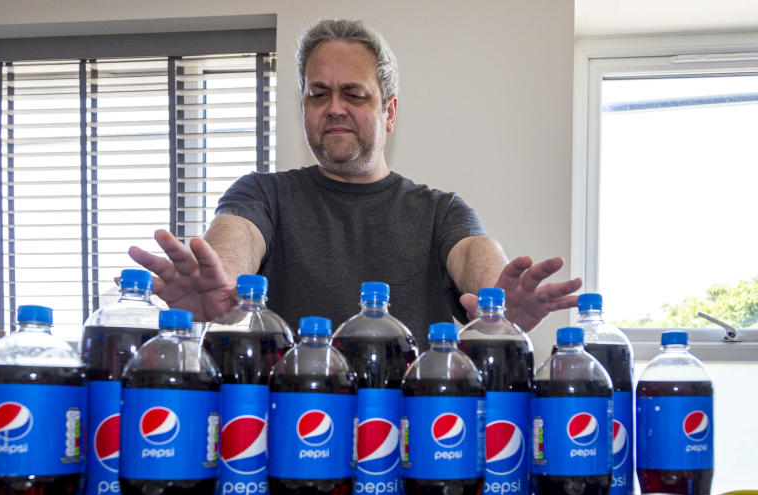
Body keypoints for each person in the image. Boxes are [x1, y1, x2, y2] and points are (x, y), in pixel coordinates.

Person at [129, 19, 580, 341]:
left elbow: (476, 256)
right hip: (301, 437)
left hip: (412, 443)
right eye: (318, 94)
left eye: (354, 94)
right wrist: (221, 282)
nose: (334, 108)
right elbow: (236, 240)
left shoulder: (441, 210)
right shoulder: (263, 194)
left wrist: (495, 302)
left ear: (390, 111)